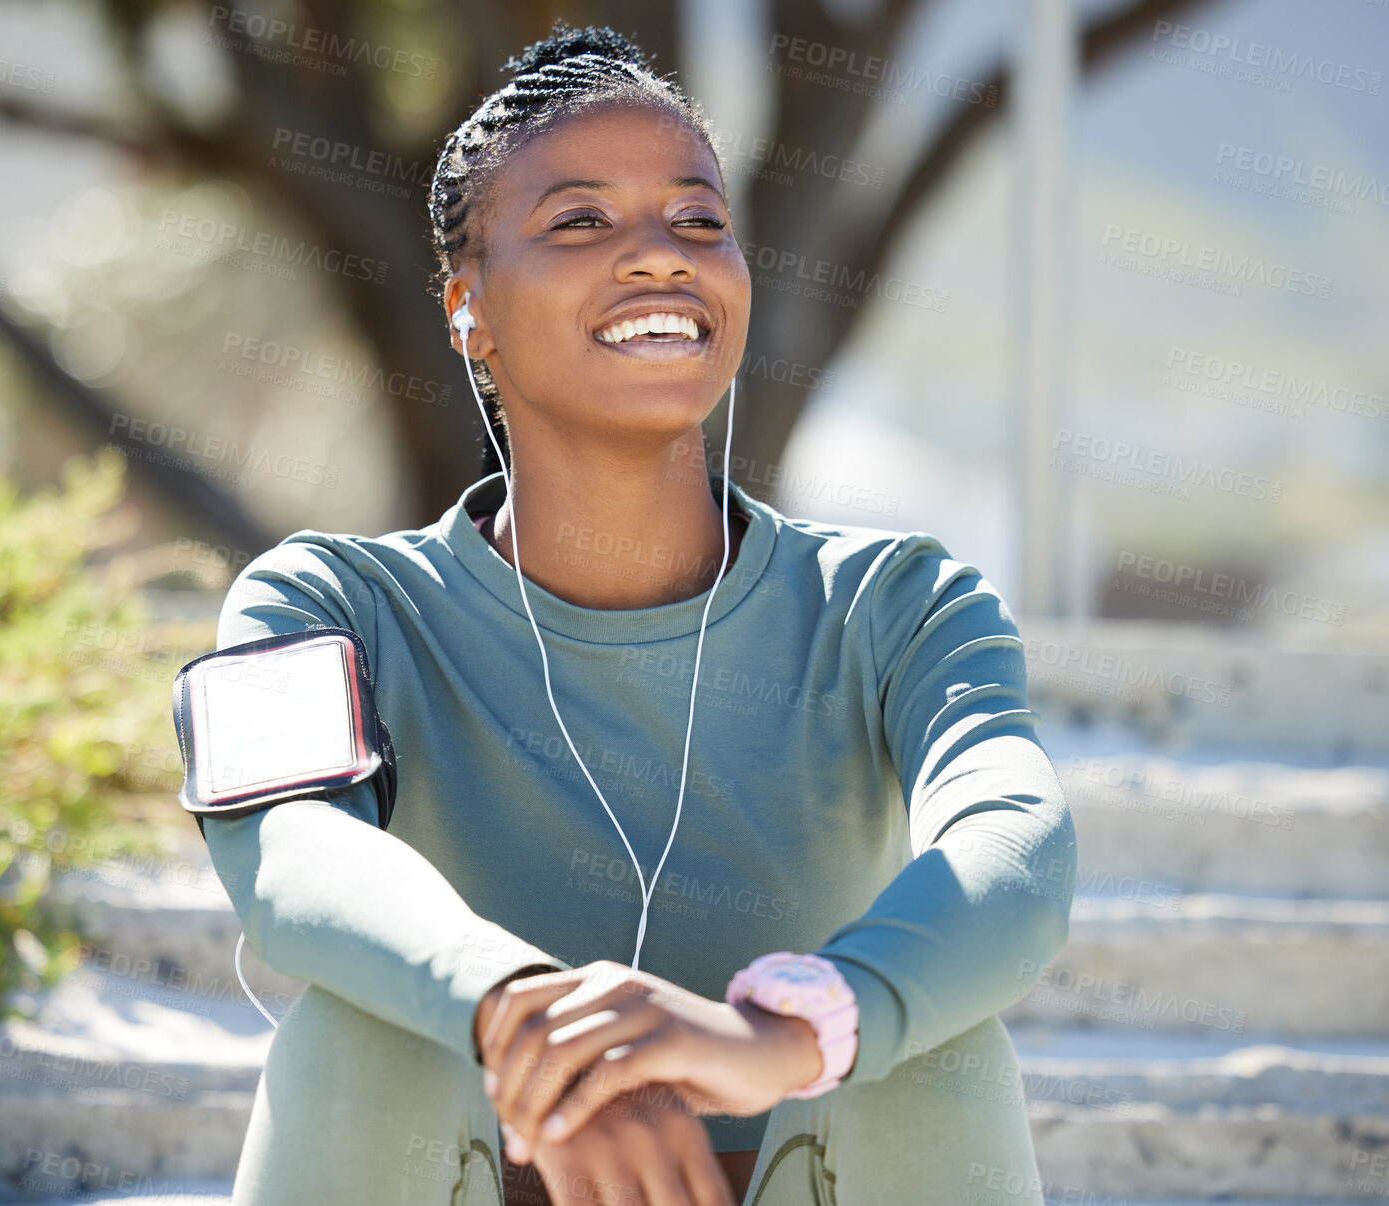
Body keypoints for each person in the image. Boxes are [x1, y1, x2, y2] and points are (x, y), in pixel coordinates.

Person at [197, 20, 1076, 1206]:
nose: (660, 256)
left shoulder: (899, 604)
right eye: (579, 222)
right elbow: (288, 848)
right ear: (469, 311)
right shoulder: (325, 602)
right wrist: (522, 1019)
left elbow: (1012, 836)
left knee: (931, 1050)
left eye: (698, 220)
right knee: (360, 1033)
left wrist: (785, 1035)